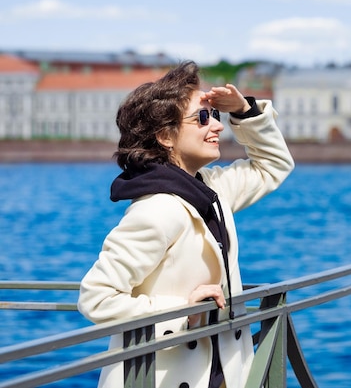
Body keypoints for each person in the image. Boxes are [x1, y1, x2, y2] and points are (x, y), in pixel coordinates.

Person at [77, 60, 294, 388]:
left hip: (223, 373)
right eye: (203, 118)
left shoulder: (211, 188)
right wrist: (180, 312)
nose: (218, 127)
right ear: (165, 135)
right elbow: (96, 296)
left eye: (216, 116)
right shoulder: (157, 209)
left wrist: (245, 110)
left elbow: (273, 165)